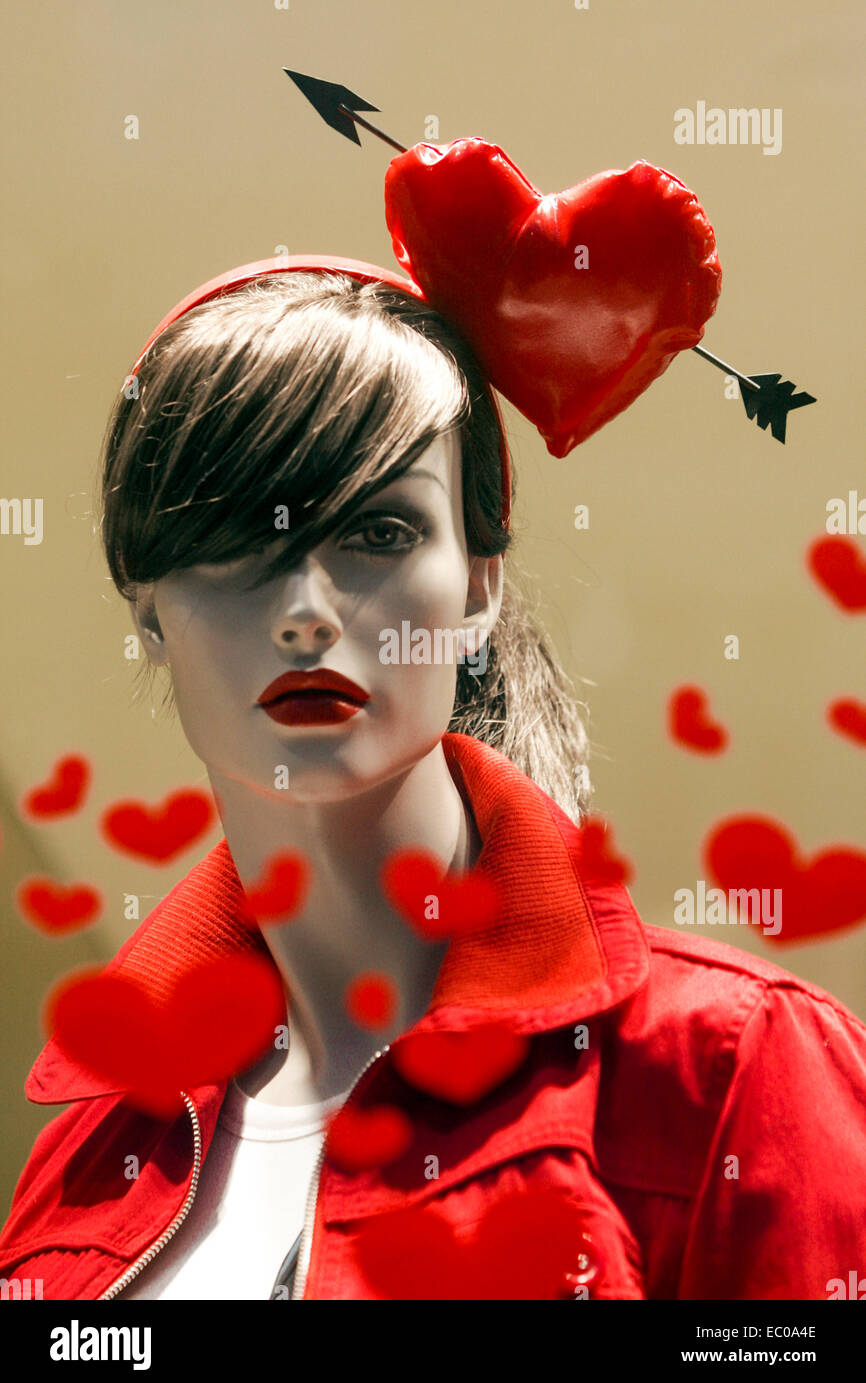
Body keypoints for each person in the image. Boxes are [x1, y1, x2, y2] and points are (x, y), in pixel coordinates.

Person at [1, 262, 864, 1303]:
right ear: (145, 612)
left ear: (478, 587)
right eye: (234, 537)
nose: (306, 612)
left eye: (379, 532)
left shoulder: (727, 1069)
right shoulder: (82, 1164)